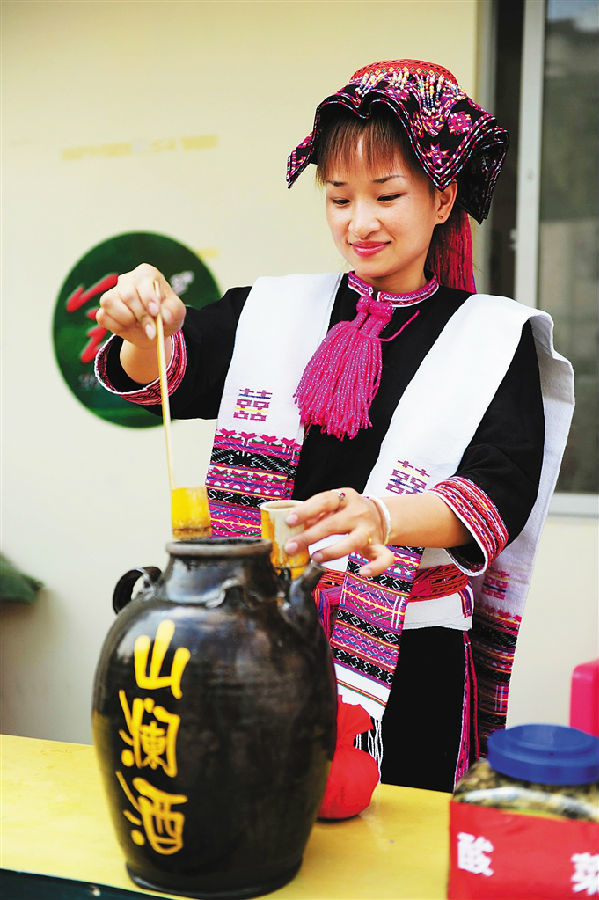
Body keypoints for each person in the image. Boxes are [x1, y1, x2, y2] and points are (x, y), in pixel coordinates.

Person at [95, 59, 573, 795]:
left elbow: (496, 493)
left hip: (413, 644)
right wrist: (140, 324)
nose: (359, 222)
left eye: (386, 195)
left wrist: (381, 515)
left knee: (395, 838)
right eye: (338, 197)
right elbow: (164, 370)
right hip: (264, 634)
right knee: (261, 815)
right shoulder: (273, 314)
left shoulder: (490, 338)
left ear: (441, 197)